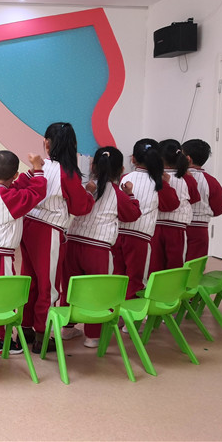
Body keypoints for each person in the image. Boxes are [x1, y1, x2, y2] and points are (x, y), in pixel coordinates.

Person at [20, 122, 95, 354]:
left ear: (46, 143)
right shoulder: (67, 173)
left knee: (30, 279)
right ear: (73, 145)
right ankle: (43, 335)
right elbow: (80, 207)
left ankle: (25, 328)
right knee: (49, 284)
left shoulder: (39, 167)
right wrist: (89, 193)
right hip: (49, 230)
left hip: (29, 224)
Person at [60, 146, 141, 348]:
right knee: (97, 291)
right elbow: (132, 215)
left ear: (92, 166)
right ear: (121, 170)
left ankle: (67, 327)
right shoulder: (118, 194)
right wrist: (130, 195)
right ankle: (93, 335)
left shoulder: (85, 188)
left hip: (73, 243)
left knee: (70, 288)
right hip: (98, 249)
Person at [0, 150, 46, 355]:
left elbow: (16, 186)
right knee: (4, 297)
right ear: (15, 175)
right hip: (0, 255)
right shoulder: (11, 197)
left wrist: (30, 172)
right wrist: (38, 169)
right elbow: (37, 193)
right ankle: (2, 341)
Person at [113, 138, 180, 298]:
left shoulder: (125, 177)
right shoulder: (158, 182)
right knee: (136, 281)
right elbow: (170, 205)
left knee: (118, 276)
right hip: (140, 238)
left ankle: (116, 309)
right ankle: (133, 311)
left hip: (118, 234)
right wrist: (166, 184)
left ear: (133, 159)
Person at [149, 139, 200, 273]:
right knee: (175, 264)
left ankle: (154, 286)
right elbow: (194, 198)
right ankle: (173, 285)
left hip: (155, 225)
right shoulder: (187, 178)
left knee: (155, 263)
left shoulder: (153, 177)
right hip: (177, 227)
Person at [181, 139, 222, 260]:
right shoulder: (211, 181)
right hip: (200, 229)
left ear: (188, 159)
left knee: (174, 264)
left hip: (176, 228)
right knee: (195, 264)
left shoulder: (175, 178)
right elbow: (220, 208)